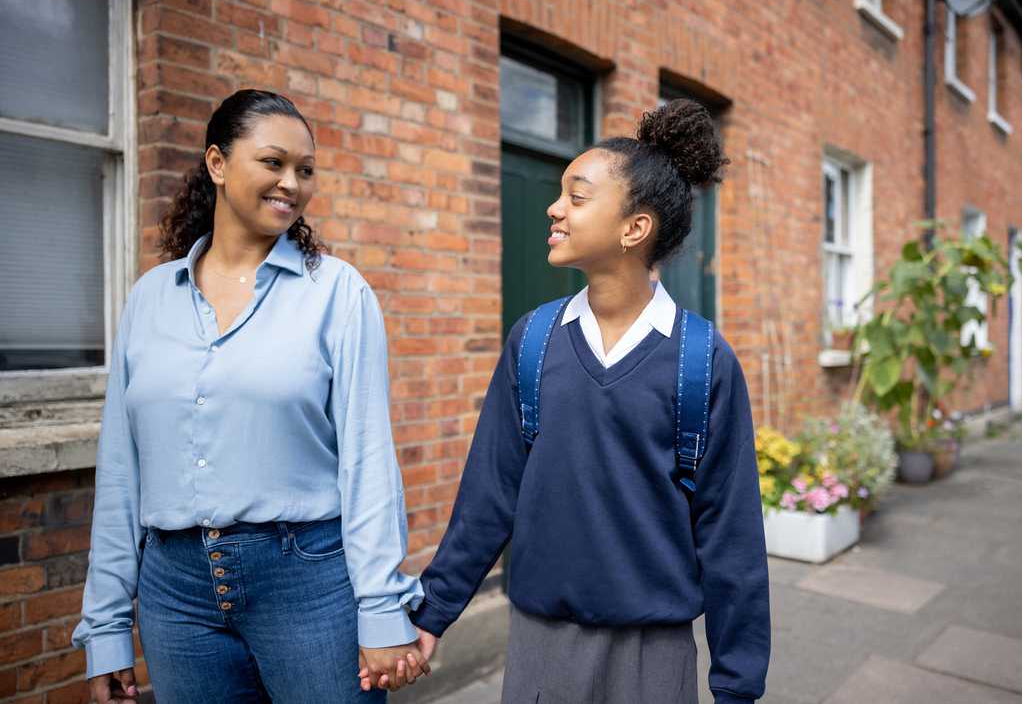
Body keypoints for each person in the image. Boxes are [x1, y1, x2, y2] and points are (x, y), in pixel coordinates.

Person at [366, 99, 770, 702]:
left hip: (652, 657)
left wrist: (737, 686)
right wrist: (433, 613)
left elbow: (731, 536)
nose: (554, 208)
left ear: (635, 228)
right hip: (538, 648)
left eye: (577, 197)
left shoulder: (701, 361)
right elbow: (489, 492)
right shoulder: (532, 341)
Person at [73, 89, 428, 703]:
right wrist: (105, 626)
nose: (292, 182)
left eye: (306, 169)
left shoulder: (337, 293)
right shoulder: (150, 298)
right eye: (273, 162)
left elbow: (368, 464)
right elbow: (121, 471)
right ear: (217, 164)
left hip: (308, 585)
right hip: (175, 595)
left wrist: (382, 611)